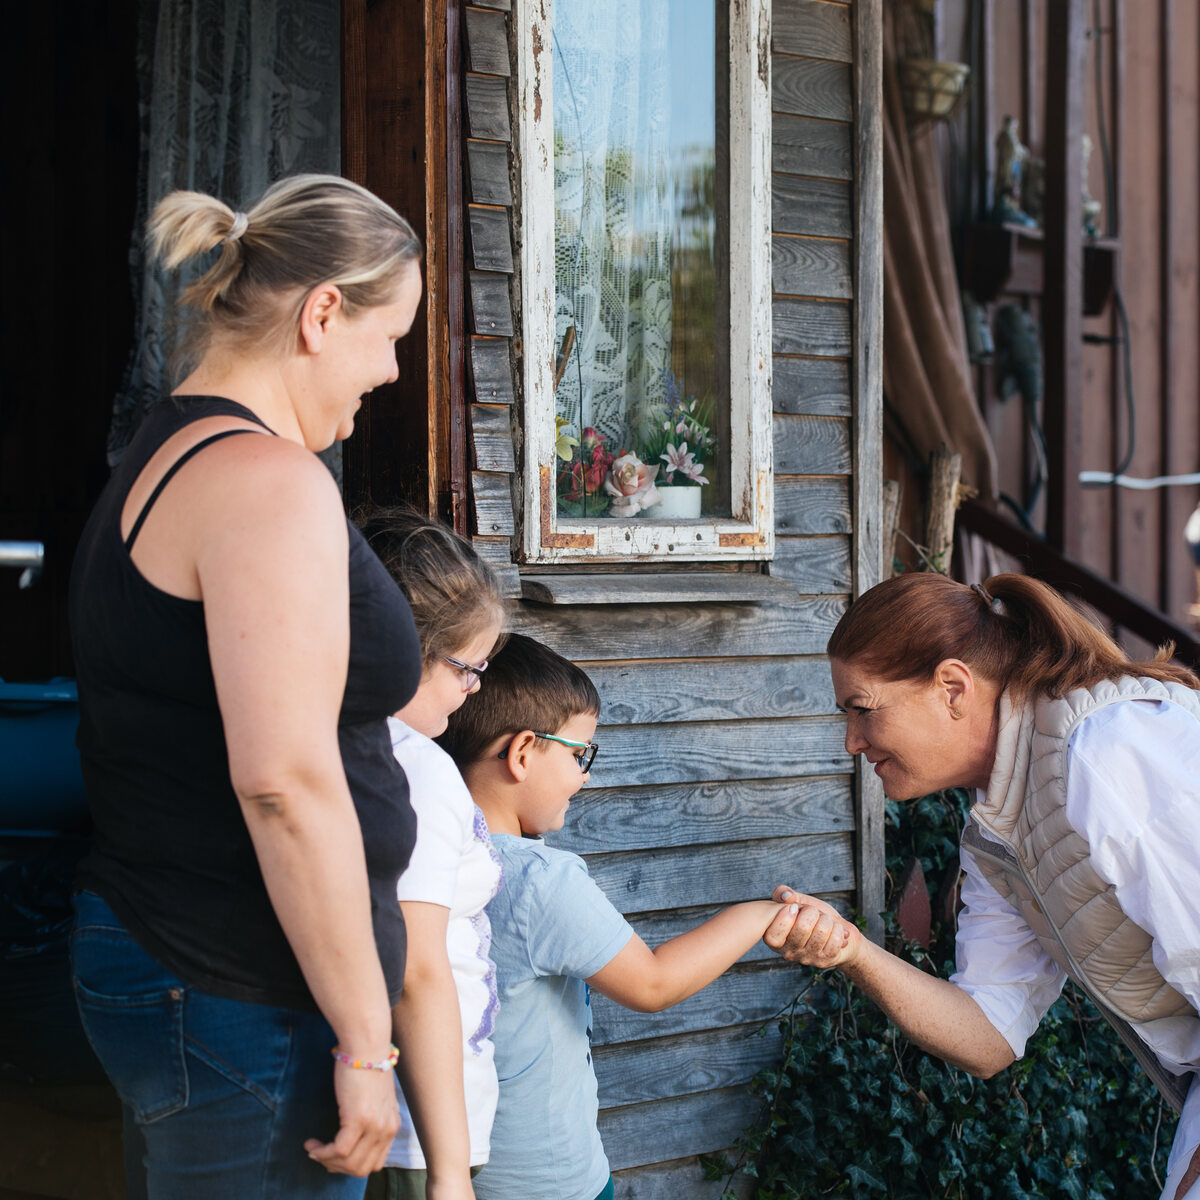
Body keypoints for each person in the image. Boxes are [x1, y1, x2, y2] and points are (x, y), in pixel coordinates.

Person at [68, 174, 426, 1199]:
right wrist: (366, 1041)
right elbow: (282, 780)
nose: (393, 370)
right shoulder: (267, 483)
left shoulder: (166, 449)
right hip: (243, 989)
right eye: (388, 334)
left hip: (183, 965)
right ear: (322, 314)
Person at [764, 572, 1200, 1200]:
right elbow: (989, 1033)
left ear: (951, 687)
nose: (851, 742)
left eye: (862, 709)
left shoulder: (1109, 752)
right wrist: (852, 952)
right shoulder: (1002, 827)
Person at [437, 634, 799, 1200]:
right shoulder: (539, 880)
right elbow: (652, 983)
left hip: (462, 1170)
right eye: (579, 754)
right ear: (524, 751)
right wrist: (762, 914)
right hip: (552, 1181)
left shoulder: (427, 851)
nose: (584, 775)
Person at [356, 507, 508, 1200]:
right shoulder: (416, 769)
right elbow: (417, 966)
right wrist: (450, 1174)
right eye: (467, 667)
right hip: (418, 1130)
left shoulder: (340, 741)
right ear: (403, 647)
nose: (474, 687)